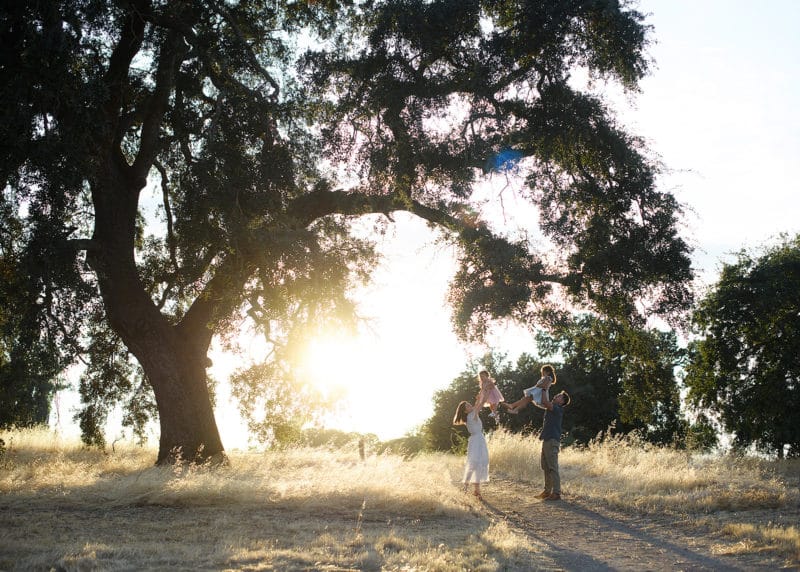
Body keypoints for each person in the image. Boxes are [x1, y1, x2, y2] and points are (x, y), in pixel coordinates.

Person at [502, 369, 571, 501]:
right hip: (547, 439)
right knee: (545, 466)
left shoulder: (557, 409)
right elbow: (542, 402)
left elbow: (545, 402)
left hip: (552, 440)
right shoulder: (552, 406)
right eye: (556, 395)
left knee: (552, 467)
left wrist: (544, 389)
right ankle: (547, 491)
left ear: (562, 402)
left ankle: (556, 493)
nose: (556, 396)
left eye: (559, 396)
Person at [453, 392, 489, 499]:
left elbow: (479, 403)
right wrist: (486, 391)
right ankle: (465, 486)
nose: (470, 405)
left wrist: (483, 393)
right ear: (465, 410)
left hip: (478, 440)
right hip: (476, 440)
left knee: (479, 463)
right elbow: (481, 403)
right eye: (467, 406)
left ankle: (476, 490)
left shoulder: (471, 414)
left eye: (469, 404)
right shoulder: (471, 415)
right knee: (475, 463)